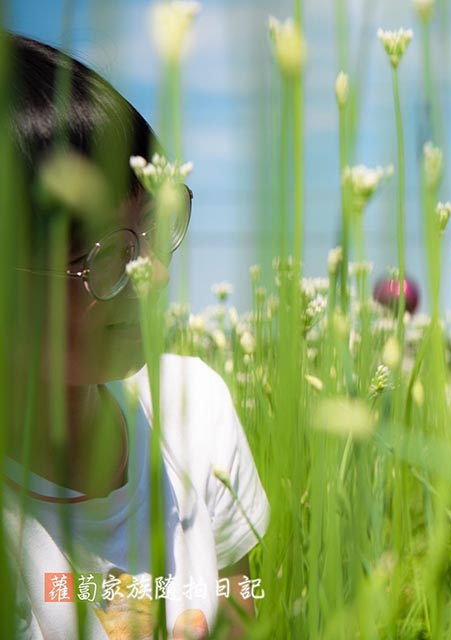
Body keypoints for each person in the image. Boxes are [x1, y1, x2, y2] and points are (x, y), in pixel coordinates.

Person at [2, 34, 269, 639]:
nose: (157, 274)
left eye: (156, 229)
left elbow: (237, 600)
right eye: (105, 253)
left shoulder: (194, 409)